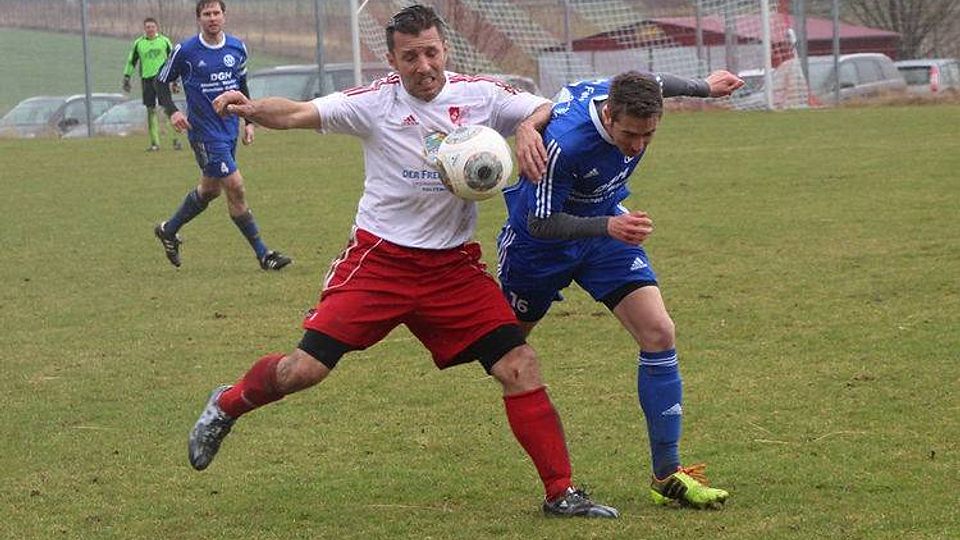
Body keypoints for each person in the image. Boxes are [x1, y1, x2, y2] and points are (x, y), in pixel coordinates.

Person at [186, 4, 618, 519]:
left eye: (431, 53)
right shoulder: (375, 103)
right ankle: (227, 404)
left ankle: (561, 491)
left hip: (453, 269)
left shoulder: (480, 95)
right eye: (410, 57)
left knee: (518, 364)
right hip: (381, 261)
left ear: (445, 50)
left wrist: (527, 127)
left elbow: (556, 106)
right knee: (303, 370)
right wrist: (251, 108)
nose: (424, 66)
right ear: (392, 60)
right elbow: (300, 112)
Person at [496, 70, 743, 508]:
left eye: (649, 135)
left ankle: (667, 474)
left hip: (605, 236)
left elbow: (658, 82)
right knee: (505, 354)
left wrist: (705, 88)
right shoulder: (565, 145)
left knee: (659, 332)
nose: (638, 146)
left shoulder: (627, 94)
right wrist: (608, 225)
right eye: (630, 135)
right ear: (608, 115)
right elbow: (540, 222)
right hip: (538, 249)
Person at [153, 0, 291, 271]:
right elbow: (161, 81)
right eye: (207, 14)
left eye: (216, 13)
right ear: (199, 19)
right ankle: (264, 255)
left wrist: (249, 121)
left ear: (224, 16)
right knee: (235, 186)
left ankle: (168, 230)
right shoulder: (186, 50)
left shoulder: (237, 48)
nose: (212, 18)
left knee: (210, 190)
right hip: (204, 133)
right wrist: (172, 111)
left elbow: (241, 86)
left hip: (229, 130)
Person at [122, 17, 182, 152]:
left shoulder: (164, 41)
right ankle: (155, 143)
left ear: (157, 28)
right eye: (148, 27)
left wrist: (176, 80)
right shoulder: (139, 43)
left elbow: (174, 60)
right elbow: (131, 61)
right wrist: (127, 76)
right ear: (144, 29)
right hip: (147, 80)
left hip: (162, 79)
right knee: (151, 110)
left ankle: (175, 140)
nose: (150, 29)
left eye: (152, 27)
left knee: (168, 108)